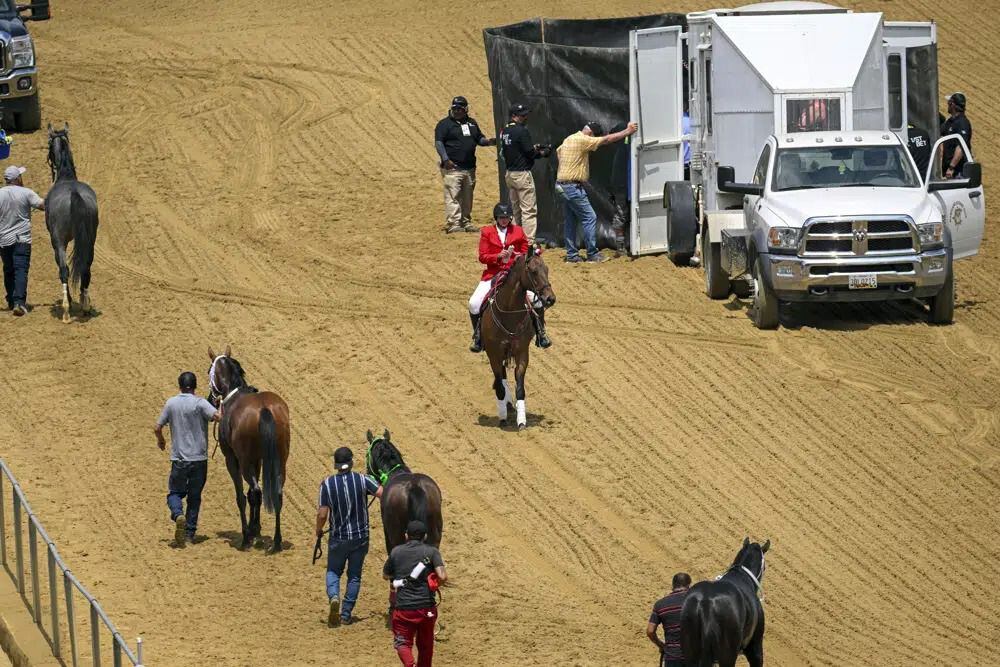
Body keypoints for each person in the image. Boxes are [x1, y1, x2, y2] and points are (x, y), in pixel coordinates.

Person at [467, 202, 550, 353]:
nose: (504, 220)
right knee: (474, 303)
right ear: (496, 218)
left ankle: (541, 333)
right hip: (493, 274)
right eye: (501, 217)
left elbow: (526, 252)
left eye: (507, 217)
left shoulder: (518, 231)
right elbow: (483, 256)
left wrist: (518, 255)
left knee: (536, 301)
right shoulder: (487, 232)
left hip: (514, 275)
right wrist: (498, 257)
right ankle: (478, 337)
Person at [316, 446, 383, 627]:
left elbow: (322, 514)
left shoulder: (327, 485)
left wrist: (318, 530)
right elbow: (381, 493)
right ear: (352, 462)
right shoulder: (362, 480)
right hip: (360, 538)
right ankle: (346, 614)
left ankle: (334, 597)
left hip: (338, 538)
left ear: (336, 465)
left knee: (333, 571)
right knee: (354, 576)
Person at [556, 120, 637, 263]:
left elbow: (558, 152)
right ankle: (592, 254)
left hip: (561, 184)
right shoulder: (584, 139)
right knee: (590, 217)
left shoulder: (569, 139)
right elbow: (607, 139)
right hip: (572, 186)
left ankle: (571, 255)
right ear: (591, 133)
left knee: (570, 220)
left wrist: (569, 168)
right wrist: (628, 131)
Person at [154, 372, 221, 547]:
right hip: (199, 459)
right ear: (195, 386)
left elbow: (157, 427)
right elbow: (218, 417)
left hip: (179, 459)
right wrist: (221, 406)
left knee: (174, 493)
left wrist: (161, 440)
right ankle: (190, 534)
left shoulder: (171, 403)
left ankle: (178, 514)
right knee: (195, 496)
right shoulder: (200, 403)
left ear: (180, 385)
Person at [383, 520, 447, 667]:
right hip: (426, 608)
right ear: (425, 536)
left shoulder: (396, 552)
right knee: (426, 646)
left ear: (406, 536)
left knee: (402, 643)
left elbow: (385, 575)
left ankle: (409, 664)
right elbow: (442, 577)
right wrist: (434, 583)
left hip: (404, 609)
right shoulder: (432, 552)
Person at [434, 96, 496, 234]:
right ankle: (454, 223)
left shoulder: (472, 123)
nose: (457, 111)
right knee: (453, 196)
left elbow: (479, 138)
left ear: (466, 109)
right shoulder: (444, 124)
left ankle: (465, 221)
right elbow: (439, 142)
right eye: (455, 108)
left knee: (468, 197)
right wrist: (445, 159)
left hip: (469, 168)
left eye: (460, 109)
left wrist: (490, 142)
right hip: (453, 168)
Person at [500, 103, 550, 243]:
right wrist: (543, 153)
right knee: (529, 210)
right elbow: (530, 153)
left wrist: (533, 148)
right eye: (522, 115)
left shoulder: (506, 130)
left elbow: (513, 149)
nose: (525, 117)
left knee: (515, 210)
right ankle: (528, 242)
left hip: (510, 174)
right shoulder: (522, 131)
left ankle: (513, 238)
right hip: (522, 174)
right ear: (514, 116)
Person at [0, 166, 44, 316]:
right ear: (17, 179)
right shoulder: (26, 193)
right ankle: (19, 302)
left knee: (8, 270)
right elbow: (42, 205)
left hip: (4, 240)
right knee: (20, 270)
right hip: (22, 239)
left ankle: (11, 301)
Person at [647, 572, 692, 667]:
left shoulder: (660, 604)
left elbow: (650, 631)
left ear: (673, 585)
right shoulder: (697, 601)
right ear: (689, 585)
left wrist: (661, 645)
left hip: (672, 657)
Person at [940, 92, 973, 179]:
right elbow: (940, 132)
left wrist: (951, 167)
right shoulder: (950, 121)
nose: (947, 104)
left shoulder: (962, 123)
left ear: (952, 104)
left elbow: (961, 146)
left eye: (949, 103)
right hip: (951, 171)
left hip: (958, 171)